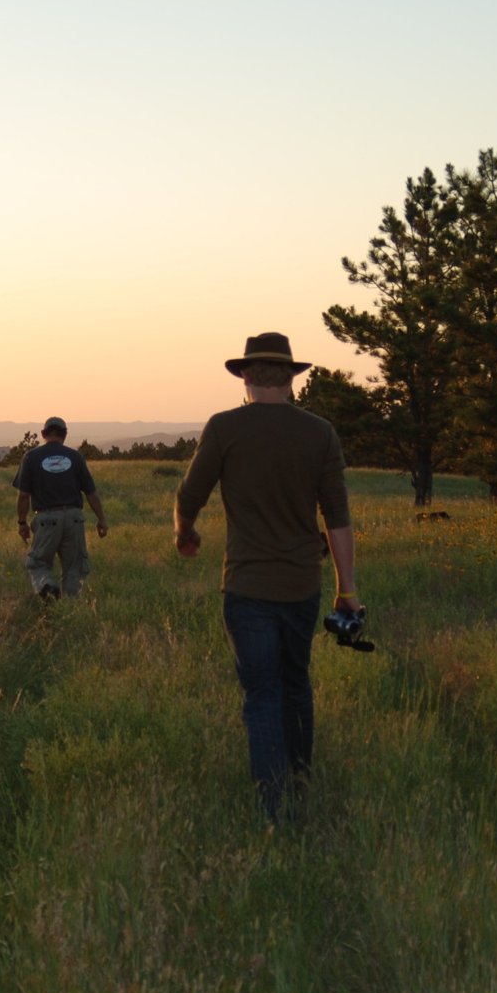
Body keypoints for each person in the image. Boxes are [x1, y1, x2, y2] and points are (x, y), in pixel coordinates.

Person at [174, 332, 361, 823]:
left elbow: (189, 495)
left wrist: (184, 533)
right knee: (296, 683)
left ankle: (273, 810)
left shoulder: (224, 428)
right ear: (291, 378)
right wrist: (348, 589)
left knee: (262, 696)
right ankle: (301, 782)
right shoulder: (320, 433)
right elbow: (337, 515)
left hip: (246, 588)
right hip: (302, 586)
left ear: (248, 377)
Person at [13, 416, 108, 598]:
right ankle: (70, 610)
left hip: (46, 519)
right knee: (74, 569)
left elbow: (24, 495)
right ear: (65, 434)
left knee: (38, 564)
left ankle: (47, 587)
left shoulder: (31, 457)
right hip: (74, 519)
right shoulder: (75, 457)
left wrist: (22, 522)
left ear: (43, 434)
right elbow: (91, 493)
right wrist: (101, 520)